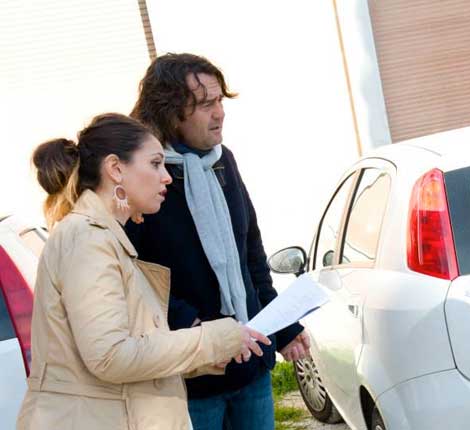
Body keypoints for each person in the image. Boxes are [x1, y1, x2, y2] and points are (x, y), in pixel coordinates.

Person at [17, 113, 270, 430]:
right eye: (155, 164)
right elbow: (109, 356)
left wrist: (203, 356)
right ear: (115, 169)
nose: (166, 177)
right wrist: (214, 339)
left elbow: (136, 347)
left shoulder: (104, 236)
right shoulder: (88, 239)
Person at [127, 53, 310, 430]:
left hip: (251, 366)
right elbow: (134, 273)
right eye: (206, 104)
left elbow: (252, 254)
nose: (220, 113)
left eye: (220, 101)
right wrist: (193, 325)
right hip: (192, 378)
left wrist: (285, 326)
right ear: (171, 112)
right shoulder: (144, 177)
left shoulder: (223, 160)